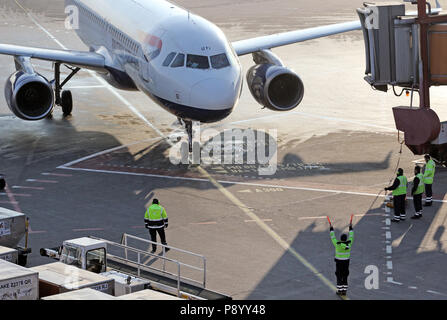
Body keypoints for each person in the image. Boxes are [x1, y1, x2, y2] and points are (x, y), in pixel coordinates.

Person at [330, 222, 354, 296]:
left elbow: (333, 237)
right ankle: (344, 291)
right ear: (346, 239)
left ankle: (340, 291)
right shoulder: (349, 244)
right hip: (346, 262)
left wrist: (331, 229)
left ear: (340, 239)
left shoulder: (337, 244)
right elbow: (351, 236)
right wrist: (351, 228)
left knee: (339, 275)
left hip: (339, 263)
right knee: (345, 275)